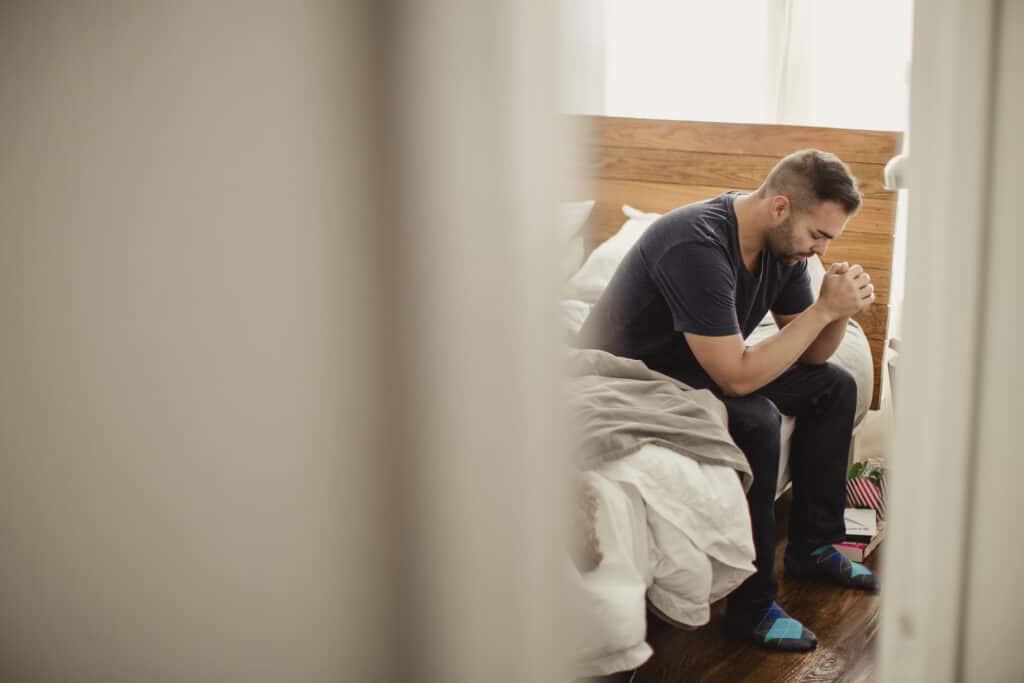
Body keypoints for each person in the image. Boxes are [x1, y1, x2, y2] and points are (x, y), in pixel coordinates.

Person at [578, 149, 878, 652]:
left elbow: (812, 355)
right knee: (757, 420)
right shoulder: (696, 243)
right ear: (780, 208)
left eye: (829, 240)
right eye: (817, 235)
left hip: (697, 363)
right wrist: (823, 308)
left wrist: (835, 310)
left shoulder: (784, 249)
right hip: (636, 373)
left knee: (835, 384)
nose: (819, 250)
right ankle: (752, 604)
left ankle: (813, 546)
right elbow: (737, 379)